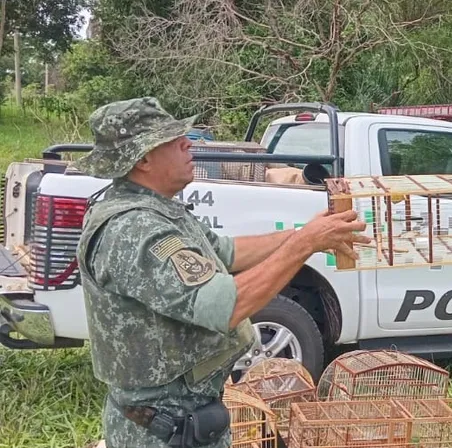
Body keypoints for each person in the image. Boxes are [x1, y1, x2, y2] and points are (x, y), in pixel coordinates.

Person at [72, 97, 370, 448]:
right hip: (162, 428)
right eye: (172, 140)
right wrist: (303, 245)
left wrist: (303, 234)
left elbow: (225, 252)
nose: (188, 143)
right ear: (143, 159)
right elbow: (224, 306)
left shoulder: (159, 210)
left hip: (184, 417)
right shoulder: (136, 228)